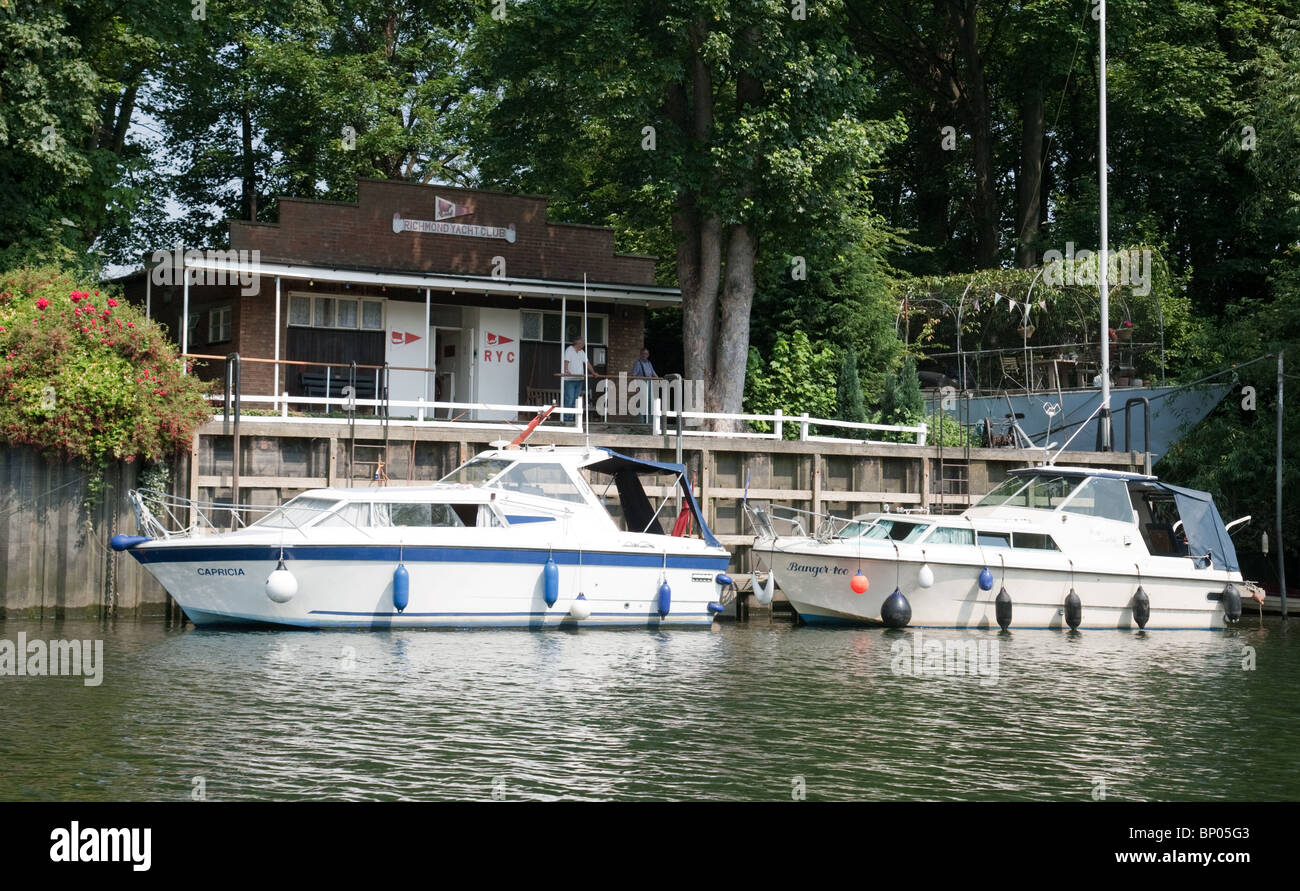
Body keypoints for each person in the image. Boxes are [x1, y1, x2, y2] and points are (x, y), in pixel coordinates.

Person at [562, 337, 597, 408]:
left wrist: (593, 372)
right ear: (578, 343)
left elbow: (587, 363)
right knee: (569, 399)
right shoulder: (569, 350)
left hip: (579, 379)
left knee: (575, 400)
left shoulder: (582, 352)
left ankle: (572, 418)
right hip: (570, 380)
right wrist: (566, 371)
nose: (584, 345)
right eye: (583, 343)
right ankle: (567, 418)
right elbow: (566, 361)